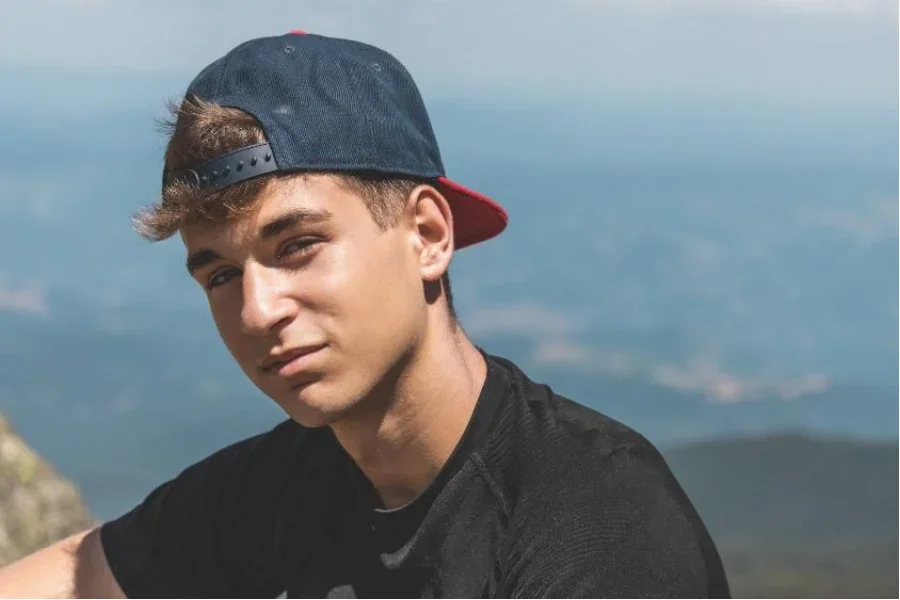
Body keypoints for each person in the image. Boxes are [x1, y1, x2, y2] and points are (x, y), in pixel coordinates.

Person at [0, 31, 730, 598]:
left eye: (299, 246)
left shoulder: (598, 526)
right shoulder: (284, 485)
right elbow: (71, 578)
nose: (257, 310)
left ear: (428, 236)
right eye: (220, 274)